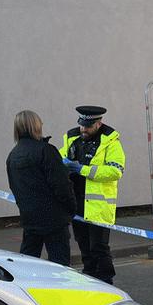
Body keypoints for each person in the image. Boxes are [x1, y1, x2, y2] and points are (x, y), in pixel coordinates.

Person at [59, 105, 125, 284]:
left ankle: (106, 282)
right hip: (76, 203)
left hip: (98, 206)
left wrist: (82, 169)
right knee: (84, 245)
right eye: (81, 125)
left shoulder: (111, 141)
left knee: (99, 248)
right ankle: (89, 279)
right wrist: (61, 163)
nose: (83, 129)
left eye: (87, 126)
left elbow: (115, 171)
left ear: (98, 123)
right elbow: (60, 157)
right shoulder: (72, 138)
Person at [6, 110, 77, 265]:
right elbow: (62, 186)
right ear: (36, 126)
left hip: (29, 218)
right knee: (60, 266)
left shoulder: (13, 155)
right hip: (54, 219)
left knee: (27, 263)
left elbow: (14, 187)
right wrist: (71, 208)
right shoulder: (46, 151)